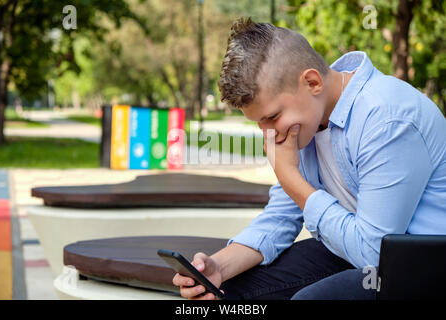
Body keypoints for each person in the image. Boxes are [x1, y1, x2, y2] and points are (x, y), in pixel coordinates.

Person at [172, 17, 446, 300]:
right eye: (258, 123)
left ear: (312, 82)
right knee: (228, 291)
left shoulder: (387, 119)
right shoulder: (308, 122)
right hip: (356, 255)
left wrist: (292, 180)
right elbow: (281, 216)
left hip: (424, 268)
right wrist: (219, 267)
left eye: (272, 117)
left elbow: (373, 254)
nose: (268, 134)